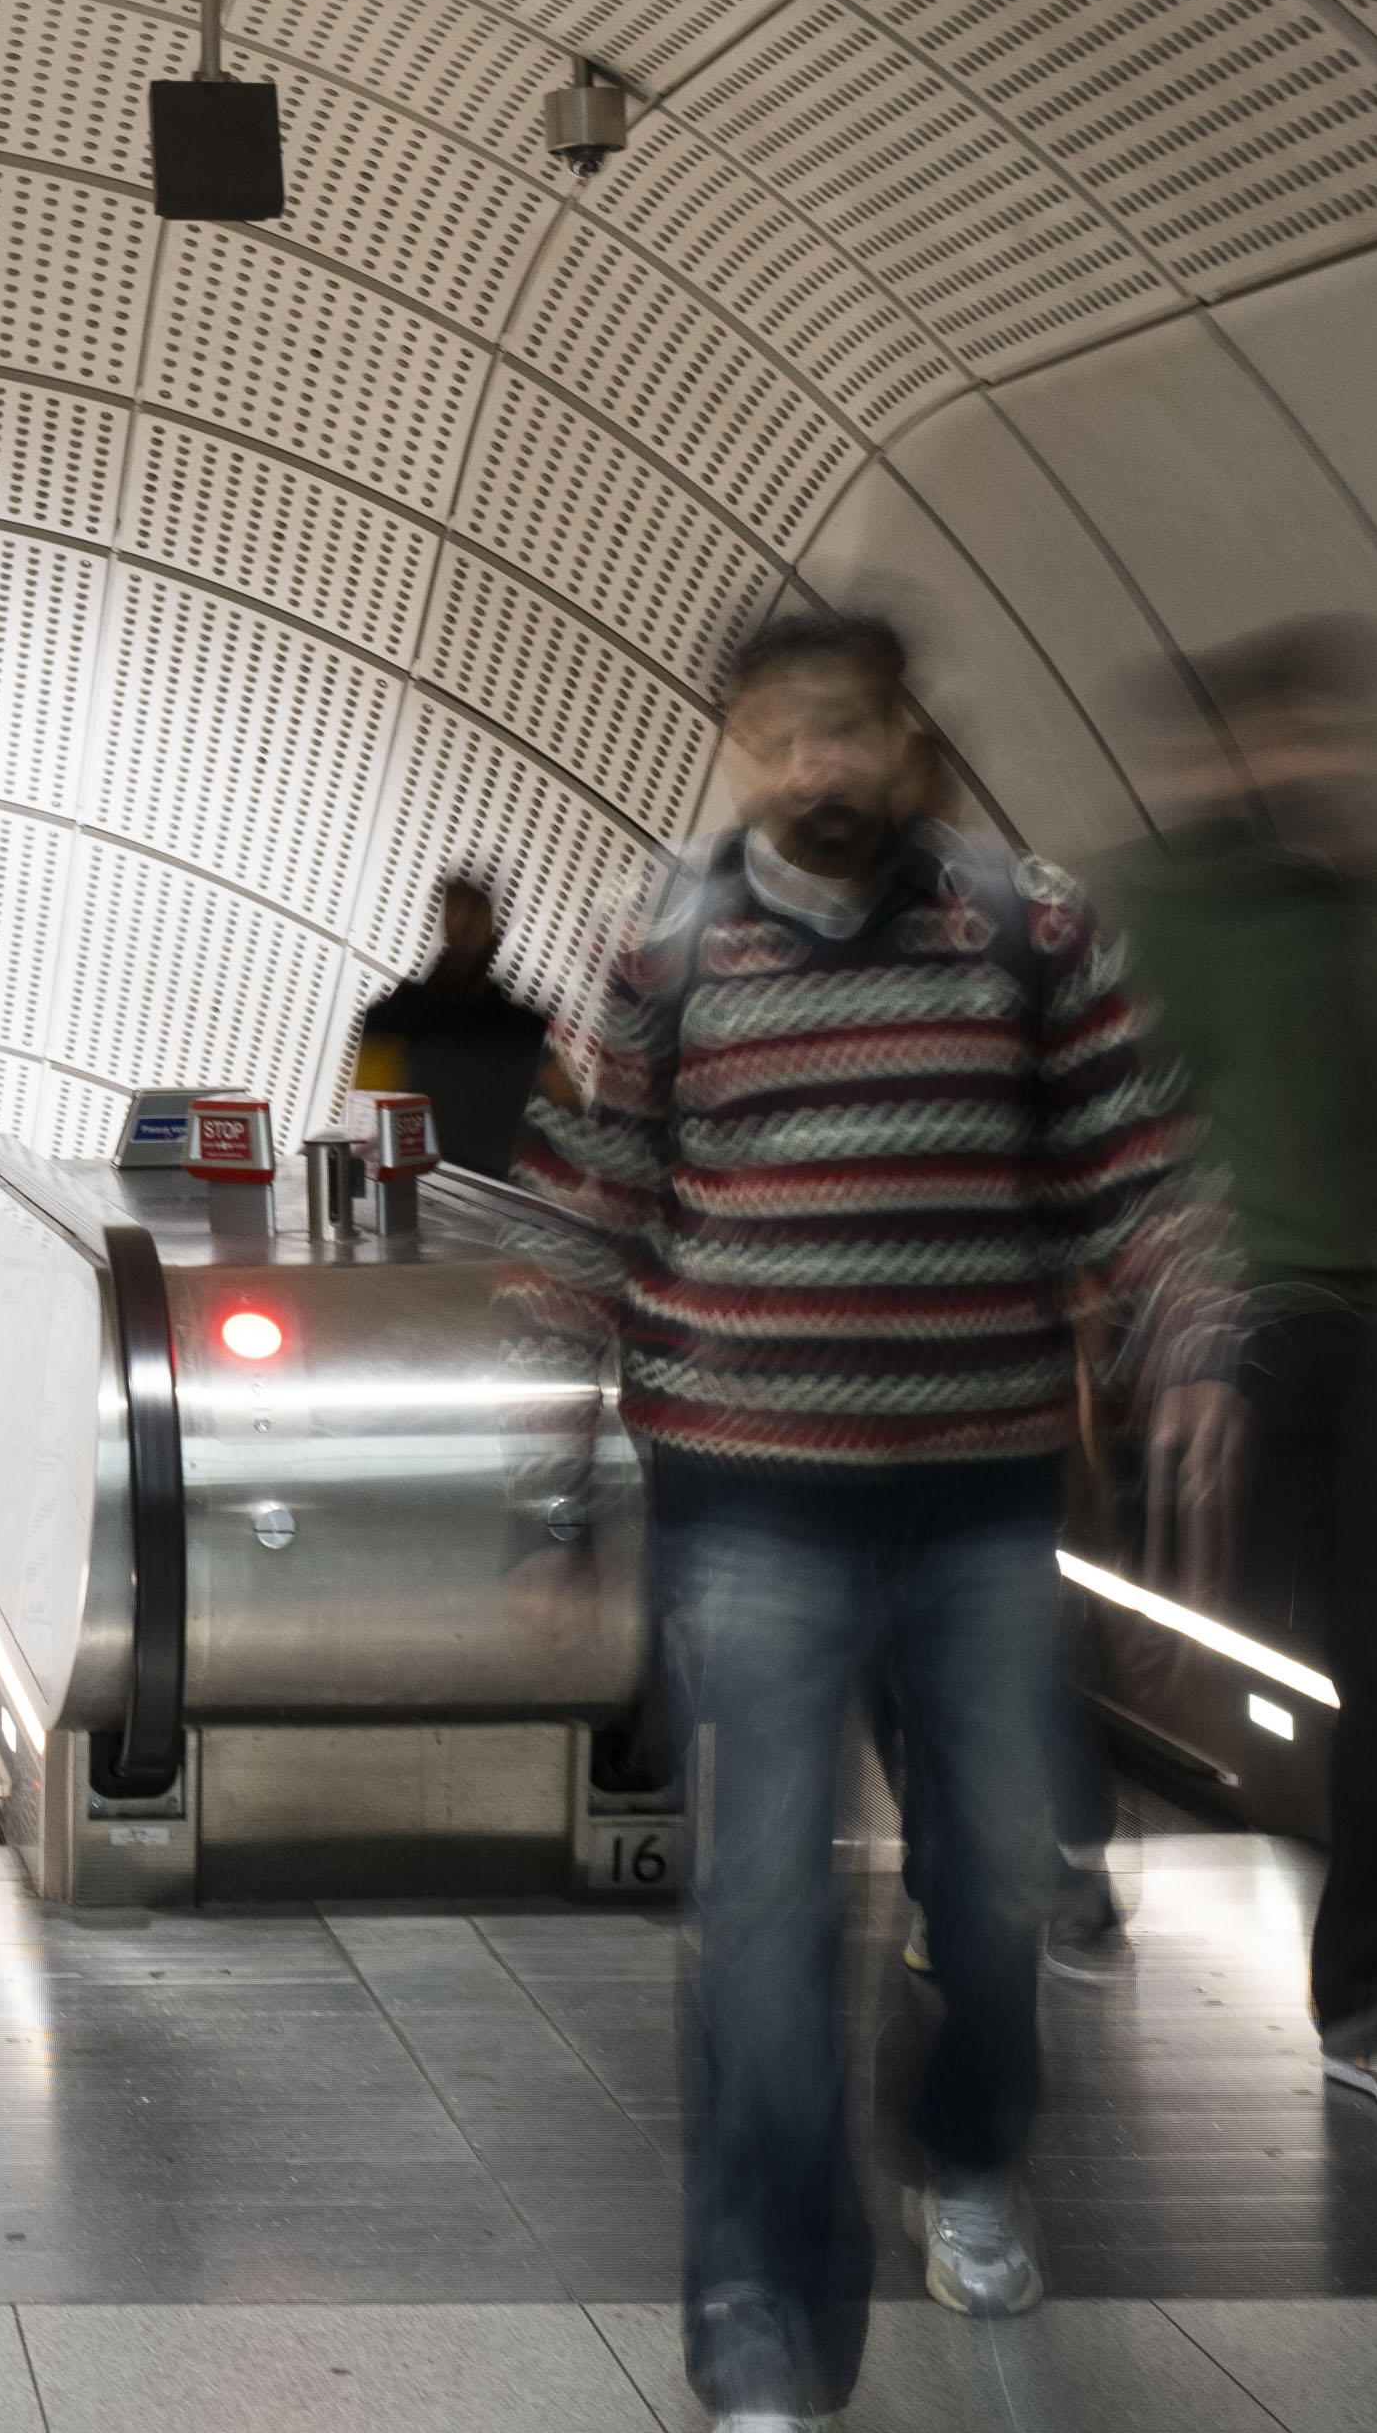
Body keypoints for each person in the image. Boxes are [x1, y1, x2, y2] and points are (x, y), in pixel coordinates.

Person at [527, 607, 1237, 2433]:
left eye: (843, 729)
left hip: (984, 1502)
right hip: (748, 1501)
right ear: (730, 752)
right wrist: (545, 1491)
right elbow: (591, 1209)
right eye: (776, 736)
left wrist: (1193, 1354)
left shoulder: (1029, 923)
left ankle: (971, 2136)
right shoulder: (661, 941)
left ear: (906, 738)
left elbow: (1132, 1171)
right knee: (759, 1923)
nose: (812, 768)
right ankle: (764, 2327)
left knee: (994, 1887)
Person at [1111, 617, 1377, 2123]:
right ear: (1229, 752)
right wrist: (1182, 1338)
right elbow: (1128, 1118)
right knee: (1192, 1631)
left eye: (1338, 735)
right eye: (1292, 736)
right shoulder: (1174, 911)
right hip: (1239, 1327)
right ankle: (1047, 1843)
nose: (1325, 764)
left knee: (1368, 1659)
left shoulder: (1368, 908)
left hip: (1359, 1322)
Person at [350, 867, 552, 1174]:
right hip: (436, 1195)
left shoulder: (527, 1032)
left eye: (472, 914)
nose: (462, 926)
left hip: (466, 1201)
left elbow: (564, 1129)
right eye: (456, 914)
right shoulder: (391, 1019)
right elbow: (365, 1129)